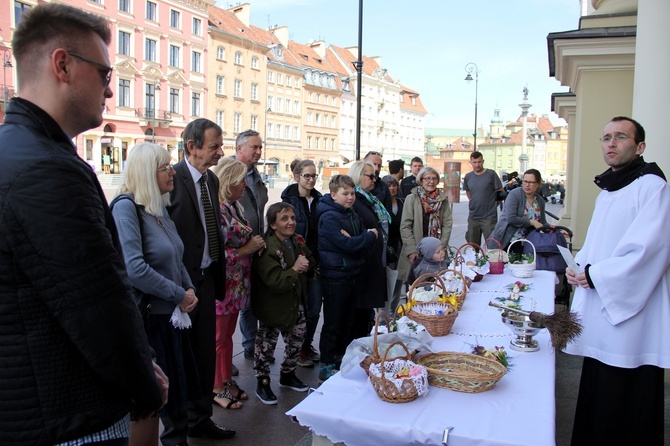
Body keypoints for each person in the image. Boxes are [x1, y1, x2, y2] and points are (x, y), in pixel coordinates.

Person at [0, 4, 165, 444]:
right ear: (63, 65)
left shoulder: (16, 151)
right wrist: (146, 388)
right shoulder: (46, 169)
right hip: (66, 415)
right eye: (106, 75)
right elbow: (98, 306)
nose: (111, 92)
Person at [565, 116, 670, 445]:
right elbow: (600, 243)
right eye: (606, 137)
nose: (610, 143)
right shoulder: (610, 188)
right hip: (603, 303)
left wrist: (595, 274)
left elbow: (649, 250)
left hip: (632, 313)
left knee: (626, 394)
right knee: (599, 385)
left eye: (620, 137)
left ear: (639, 147)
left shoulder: (652, 186)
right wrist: (578, 265)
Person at [112, 143, 200, 446]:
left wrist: (187, 289)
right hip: (151, 320)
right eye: (164, 167)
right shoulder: (127, 208)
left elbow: (176, 256)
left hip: (171, 318)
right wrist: (179, 293)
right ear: (147, 172)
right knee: (154, 402)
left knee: (176, 397)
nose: (171, 171)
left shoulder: (158, 208)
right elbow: (134, 268)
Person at [168, 118, 235, 440]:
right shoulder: (170, 180)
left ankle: (201, 418)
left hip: (208, 281)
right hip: (180, 288)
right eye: (214, 147)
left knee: (205, 355)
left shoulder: (210, 180)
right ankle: (177, 429)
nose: (220, 153)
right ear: (191, 147)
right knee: (180, 358)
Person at [210, 158, 266, 410]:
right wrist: (247, 249)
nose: (245, 185)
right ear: (229, 182)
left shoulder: (234, 207)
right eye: (241, 180)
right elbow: (215, 255)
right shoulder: (218, 209)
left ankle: (225, 379)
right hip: (223, 284)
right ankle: (215, 386)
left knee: (227, 336)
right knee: (219, 337)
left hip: (236, 285)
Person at [251, 203, 315, 404]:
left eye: (293, 218)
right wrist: (295, 268)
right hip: (273, 307)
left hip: (295, 303)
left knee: (297, 340)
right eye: (284, 219)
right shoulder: (268, 248)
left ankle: (287, 374)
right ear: (272, 224)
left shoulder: (296, 241)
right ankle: (263, 382)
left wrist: (306, 266)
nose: (291, 222)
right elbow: (275, 281)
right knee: (266, 346)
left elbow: (310, 259)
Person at [317, 175, 378, 382]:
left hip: (352, 274)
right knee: (334, 322)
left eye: (352, 193)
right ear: (334, 195)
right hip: (336, 277)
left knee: (348, 321)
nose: (350, 197)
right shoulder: (329, 217)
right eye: (345, 194)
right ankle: (327, 363)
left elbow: (361, 244)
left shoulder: (350, 214)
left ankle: (341, 359)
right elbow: (350, 245)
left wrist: (359, 239)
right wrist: (366, 236)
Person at [281, 160, 324, 368]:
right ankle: (295, 350)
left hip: (315, 261)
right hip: (296, 260)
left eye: (314, 175)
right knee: (298, 309)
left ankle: (306, 345)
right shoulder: (288, 200)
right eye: (307, 175)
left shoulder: (319, 200)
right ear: (297, 176)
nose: (311, 179)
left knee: (314, 308)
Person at [234, 130, 269, 361]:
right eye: (253, 148)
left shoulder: (256, 177)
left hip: (255, 247)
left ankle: (250, 345)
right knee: (231, 304)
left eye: (260, 148)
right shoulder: (230, 174)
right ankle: (222, 364)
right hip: (235, 250)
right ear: (239, 149)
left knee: (251, 300)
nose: (258, 152)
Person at [350, 160, 392, 337]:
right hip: (364, 264)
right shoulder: (355, 200)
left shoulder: (369, 199)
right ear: (358, 176)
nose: (375, 180)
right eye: (371, 176)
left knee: (367, 312)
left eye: (375, 176)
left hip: (374, 260)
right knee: (359, 314)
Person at [398, 166, 453, 284]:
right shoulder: (412, 198)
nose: (431, 181)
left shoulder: (442, 200)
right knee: (415, 285)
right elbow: (405, 226)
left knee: (438, 283)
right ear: (421, 180)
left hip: (436, 251)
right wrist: (411, 250)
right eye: (427, 178)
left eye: (434, 178)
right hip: (417, 250)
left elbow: (447, 224)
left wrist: (441, 247)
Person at [488, 169, 546, 252]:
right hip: (508, 241)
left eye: (531, 182)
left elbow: (542, 222)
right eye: (525, 181)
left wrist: (555, 230)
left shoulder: (540, 200)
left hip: (529, 242)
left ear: (538, 184)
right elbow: (511, 218)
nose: (527, 185)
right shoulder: (515, 195)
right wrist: (532, 222)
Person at [463, 151, 503, 245]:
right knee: (473, 245)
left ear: (483, 161)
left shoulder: (491, 174)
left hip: (489, 217)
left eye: (479, 162)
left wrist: (493, 205)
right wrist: (474, 202)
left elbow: (500, 191)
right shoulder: (468, 177)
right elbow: (468, 192)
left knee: (492, 245)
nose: (477, 165)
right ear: (471, 163)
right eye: (475, 162)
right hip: (473, 216)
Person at [381, 175, 405, 314]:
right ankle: (384, 313)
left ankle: (393, 309)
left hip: (400, 246)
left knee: (399, 279)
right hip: (387, 248)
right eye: (389, 185)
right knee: (388, 280)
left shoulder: (402, 203)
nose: (392, 188)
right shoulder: (381, 205)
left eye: (394, 185)